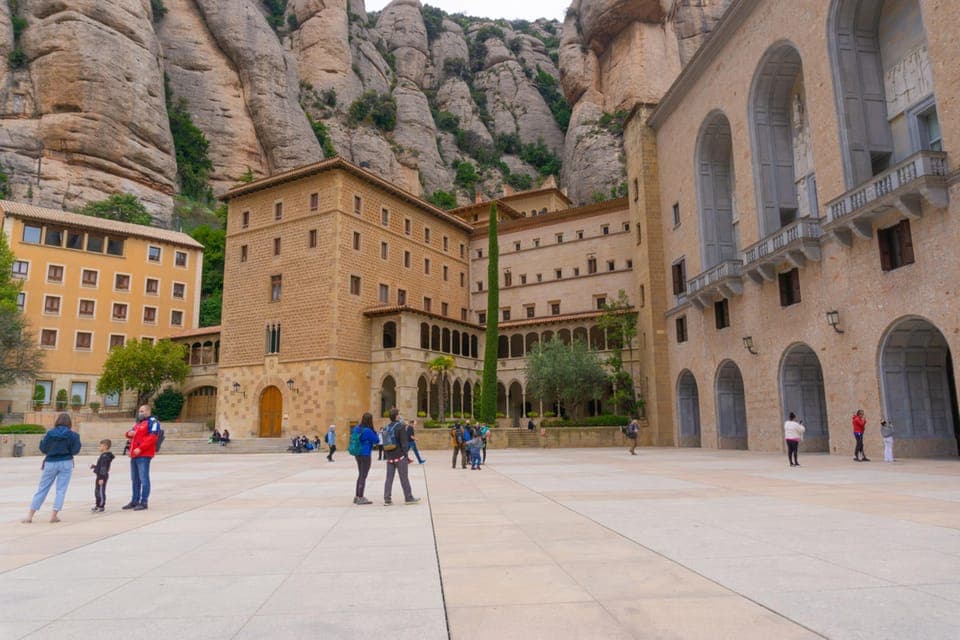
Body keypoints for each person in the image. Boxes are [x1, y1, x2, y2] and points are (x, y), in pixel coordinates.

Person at [22, 413, 81, 523]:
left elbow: (44, 449)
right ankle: (54, 515)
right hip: (66, 462)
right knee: (61, 490)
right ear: (69, 423)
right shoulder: (74, 435)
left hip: (50, 462)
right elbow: (75, 451)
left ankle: (30, 515)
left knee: (42, 488)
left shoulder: (49, 433)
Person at [123, 404, 161, 511]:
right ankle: (135, 500)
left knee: (144, 478)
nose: (140, 413)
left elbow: (153, 437)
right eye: (139, 411)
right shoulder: (139, 423)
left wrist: (141, 448)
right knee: (134, 479)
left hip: (144, 454)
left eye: (142, 411)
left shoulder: (153, 422)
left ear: (148, 411)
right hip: (134, 455)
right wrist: (129, 433)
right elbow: (129, 433)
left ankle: (144, 501)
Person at [383, 408, 420, 505]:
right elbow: (404, 443)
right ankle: (408, 497)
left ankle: (387, 499)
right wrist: (405, 455)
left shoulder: (386, 427)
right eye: (399, 414)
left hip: (389, 457)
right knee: (404, 477)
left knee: (389, 478)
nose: (400, 415)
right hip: (399, 456)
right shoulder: (400, 426)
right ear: (396, 416)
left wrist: (387, 455)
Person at [351, 413, 380, 504]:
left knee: (360, 474)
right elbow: (376, 440)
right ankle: (360, 497)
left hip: (357, 454)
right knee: (363, 475)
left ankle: (357, 496)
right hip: (365, 454)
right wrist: (375, 433)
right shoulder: (368, 430)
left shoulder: (356, 428)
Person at [90, 439, 115, 512]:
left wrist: (101, 478)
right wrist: (94, 466)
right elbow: (101, 466)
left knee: (100, 491)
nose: (99, 447)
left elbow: (104, 468)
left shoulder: (105, 456)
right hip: (100, 475)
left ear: (105, 447)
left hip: (102, 476)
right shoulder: (104, 455)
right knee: (97, 491)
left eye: (100, 446)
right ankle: (97, 505)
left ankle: (101, 505)